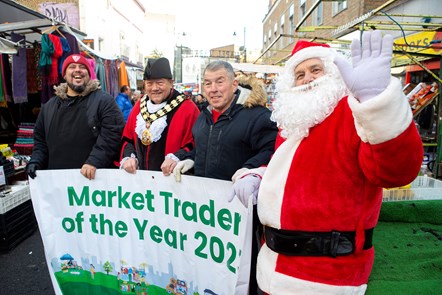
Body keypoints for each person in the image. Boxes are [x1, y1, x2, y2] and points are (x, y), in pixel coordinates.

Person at [237, 31, 423, 293]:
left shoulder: (353, 112)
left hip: (326, 278)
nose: (307, 78)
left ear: (335, 74)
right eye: (299, 74)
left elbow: (396, 172)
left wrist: (375, 101)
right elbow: (294, 173)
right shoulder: (293, 121)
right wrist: (259, 176)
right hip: (272, 269)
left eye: (316, 69)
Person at [172, 61, 278, 294]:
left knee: (242, 271)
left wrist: (250, 171)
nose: (213, 89)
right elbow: (203, 150)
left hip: (243, 216)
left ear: (234, 84)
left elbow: (272, 151)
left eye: (220, 82)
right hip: (210, 214)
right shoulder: (204, 117)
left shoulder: (258, 116)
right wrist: (187, 159)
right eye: (208, 83)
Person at [26, 54, 125, 180]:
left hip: (93, 182)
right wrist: (36, 161)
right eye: (72, 67)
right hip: (57, 183)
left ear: (89, 74)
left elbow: (112, 135)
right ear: (64, 75)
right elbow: (40, 140)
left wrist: (94, 161)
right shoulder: (49, 107)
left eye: (82, 67)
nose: (77, 70)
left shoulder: (104, 101)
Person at [120, 57, 200, 172]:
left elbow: (195, 145)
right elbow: (128, 138)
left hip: (172, 182)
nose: (154, 88)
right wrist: (129, 157)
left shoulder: (188, 108)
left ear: (171, 83)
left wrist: (178, 157)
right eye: (149, 83)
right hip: (139, 183)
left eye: (160, 83)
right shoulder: (139, 105)